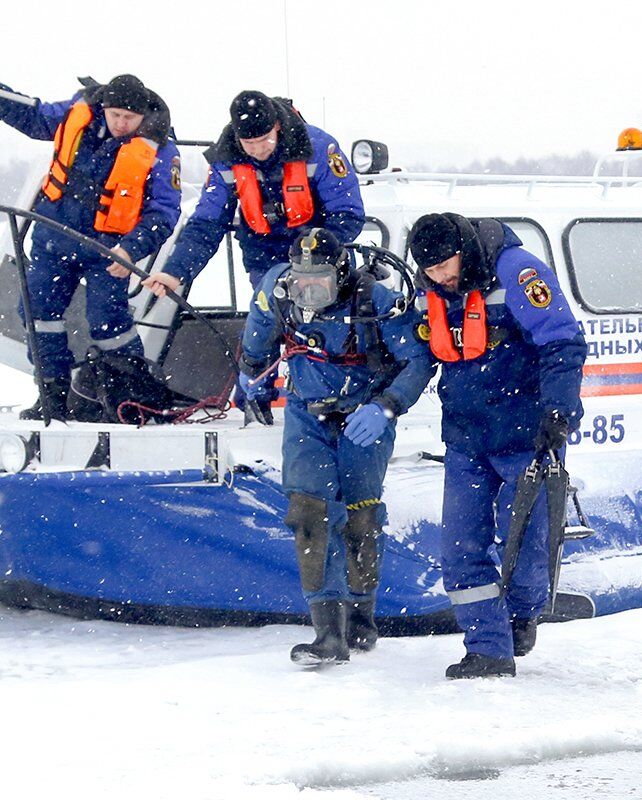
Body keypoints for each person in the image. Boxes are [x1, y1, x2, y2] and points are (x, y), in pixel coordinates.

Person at [234, 228, 433, 666]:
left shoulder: (378, 305)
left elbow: (418, 360)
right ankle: (328, 634)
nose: (308, 291)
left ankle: (361, 617)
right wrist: (249, 369)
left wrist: (387, 406)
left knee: (360, 516)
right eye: (301, 280)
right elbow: (261, 324)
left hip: (363, 414)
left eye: (319, 281)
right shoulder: (278, 288)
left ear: (340, 274)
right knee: (309, 512)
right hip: (308, 414)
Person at [406, 213, 587, 679]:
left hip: (527, 436)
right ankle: (487, 649)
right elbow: (422, 351)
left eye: (447, 267)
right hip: (466, 438)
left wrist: (559, 412)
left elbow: (563, 343)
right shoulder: (431, 291)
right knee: (459, 547)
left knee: (527, 543)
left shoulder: (518, 271)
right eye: (431, 272)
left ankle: (523, 615)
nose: (441, 278)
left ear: (465, 251)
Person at [0, 71, 182, 420]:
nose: (120, 124)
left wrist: (131, 250)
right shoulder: (77, 114)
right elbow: (33, 115)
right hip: (54, 239)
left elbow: (163, 212)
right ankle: (52, 395)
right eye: (115, 114)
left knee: (108, 322)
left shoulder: (160, 151)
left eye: (129, 118)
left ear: (141, 117)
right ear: (103, 108)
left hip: (110, 251)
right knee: (36, 310)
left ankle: (128, 398)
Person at [144, 90, 364, 300]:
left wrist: (319, 253)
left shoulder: (318, 147)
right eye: (249, 143)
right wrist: (175, 272)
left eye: (264, 140)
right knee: (272, 323)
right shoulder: (225, 159)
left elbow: (347, 211)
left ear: (276, 125)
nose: (258, 150)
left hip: (323, 259)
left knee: (329, 324)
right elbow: (207, 222)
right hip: (264, 259)